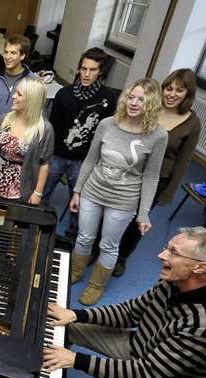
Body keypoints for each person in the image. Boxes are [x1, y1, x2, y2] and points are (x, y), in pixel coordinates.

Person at [43, 226, 206, 378]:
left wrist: (75, 360)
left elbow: (146, 373)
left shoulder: (199, 325)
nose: (161, 255)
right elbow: (130, 312)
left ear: (200, 267)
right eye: (166, 248)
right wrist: (76, 315)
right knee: (63, 324)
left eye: (173, 252)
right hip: (142, 348)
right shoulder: (172, 282)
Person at [69, 78, 168, 305]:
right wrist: (78, 191)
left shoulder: (158, 135)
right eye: (131, 97)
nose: (134, 103)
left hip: (123, 200)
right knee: (84, 237)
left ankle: (96, 286)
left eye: (142, 99)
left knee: (108, 245)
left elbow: (151, 176)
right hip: (93, 191)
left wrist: (143, 213)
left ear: (151, 104)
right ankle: (76, 272)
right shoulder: (107, 124)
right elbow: (91, 160)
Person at [114, 69, 202, 276]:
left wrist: (169, 191)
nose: (172, 94)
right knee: (115, 212)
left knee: (137, 220)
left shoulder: (192, 123)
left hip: (158, 180)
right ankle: (99, 249)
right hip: (131, 172)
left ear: (188, 94)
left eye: (179, 90)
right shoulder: (150, 108)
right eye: (168, 88)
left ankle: (122, 257)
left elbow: (183, 161)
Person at [41, 48, 117, 240]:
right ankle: (39, 227)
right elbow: (53, 126)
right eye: (83, 69)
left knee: (80, 203)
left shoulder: (108, 98)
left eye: (92, 70)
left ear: (101, 71)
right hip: (57, 155)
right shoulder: (64, 94)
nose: (86, 74)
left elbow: (106, 134)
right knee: (42, 193)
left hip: (83, 160)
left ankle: (72, 238)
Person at [0, 77, 54, 203]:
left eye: (19, 94)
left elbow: (44, 163)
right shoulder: (3, 119)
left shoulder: (44, 129)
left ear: (31, 100)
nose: (13, 96)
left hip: (20, 192)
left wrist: (38, 192)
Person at [0, 34, 40, 124]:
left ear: (22, 56)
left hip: (21, 135)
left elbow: (37, 114)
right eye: (6, 52)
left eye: (13, 53)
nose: (7, 57)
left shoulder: (34, 81)